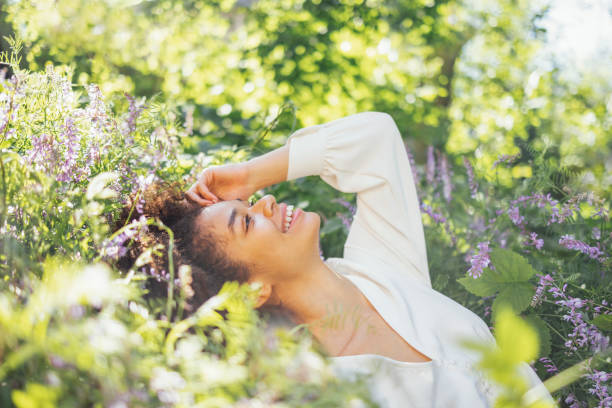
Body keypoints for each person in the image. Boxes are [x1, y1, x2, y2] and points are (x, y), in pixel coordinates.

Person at [121, 112, 554, 407]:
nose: (266, 202)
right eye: (249, 223)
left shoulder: (382, 269)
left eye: (250, 203)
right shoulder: (311, 385)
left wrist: (252, 173)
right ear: (253, 290)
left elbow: (376, 137)